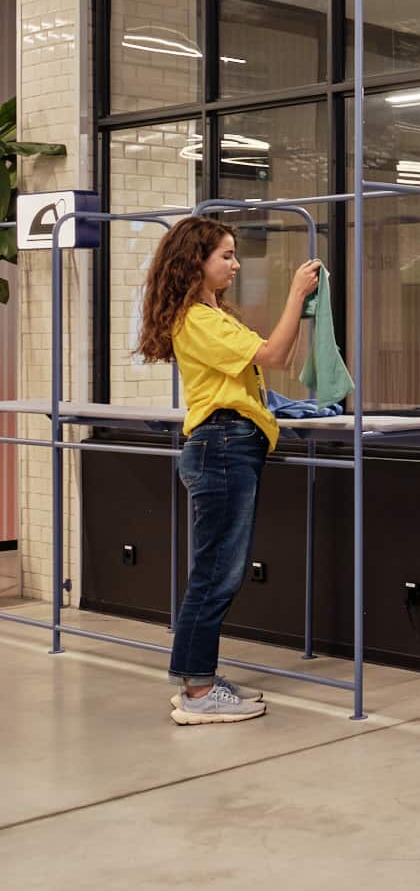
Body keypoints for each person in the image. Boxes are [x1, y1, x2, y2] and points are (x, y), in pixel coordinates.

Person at [135, 219, 322, 725]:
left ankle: (198, 680)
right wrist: (296, 294)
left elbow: (252, 375)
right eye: (226, 255)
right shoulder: (196, 319)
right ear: (196, 261)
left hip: (228, 445)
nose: (235, 265)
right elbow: (273, 354)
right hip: (222, 446)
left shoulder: (213, 315)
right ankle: (197, 693)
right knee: (217, 573)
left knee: (216, 570)